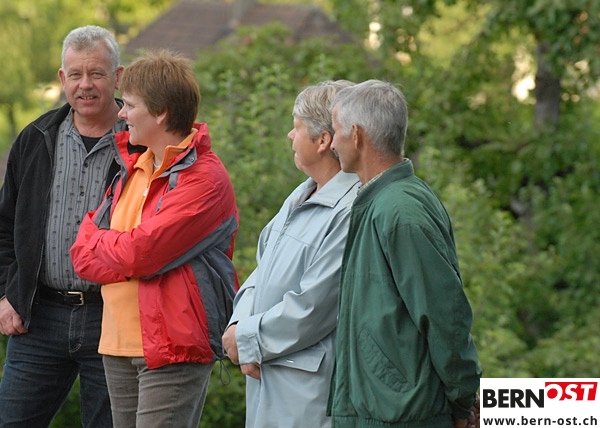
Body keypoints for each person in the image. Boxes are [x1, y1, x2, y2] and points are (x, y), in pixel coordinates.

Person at [69, 49, 239, 428]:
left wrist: (116, 249)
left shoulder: (204, 180)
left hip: (172, 346)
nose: (122, 114)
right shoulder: (135, 166)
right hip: (117, 342)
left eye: (130, 105)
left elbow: (140, 253)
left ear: (161, 113)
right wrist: (123, 251)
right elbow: (81, 254)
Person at [0, 25, 125, 428]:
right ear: (63, 78)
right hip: (40, 316)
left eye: (96, 73)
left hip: (113, 318)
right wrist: (5, 294)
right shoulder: (36, 138)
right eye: (76, 74)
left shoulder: (140, 141)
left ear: (118, 76)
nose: (86, 85)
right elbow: (1, 225)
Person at [327, 79, 482, 428]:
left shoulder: (400, 211)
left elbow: (445, 316)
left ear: (356, 135)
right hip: (382, 411)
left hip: (401, 415)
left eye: (336, 131)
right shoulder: (381, 202)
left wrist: (463, 401)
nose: (332, 143)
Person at [222, 80, 360, 428]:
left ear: (323, 140)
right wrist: (239, 325)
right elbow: (261, 271)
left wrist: (248, 339)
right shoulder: (300, 195)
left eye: (296, 127)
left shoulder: (349, 210)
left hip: (306, 393)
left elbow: (315, 305)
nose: (289, 135)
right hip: (271, 381)